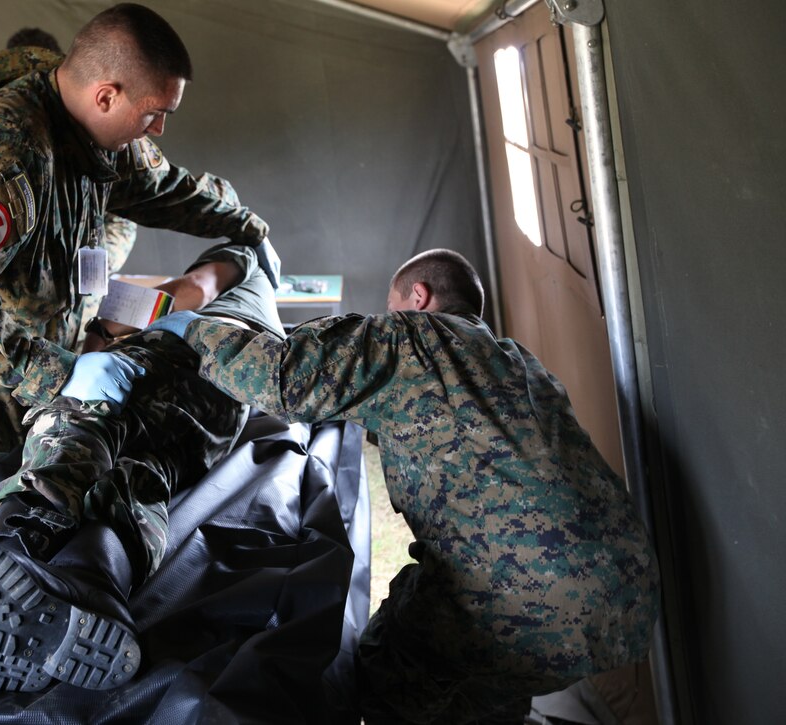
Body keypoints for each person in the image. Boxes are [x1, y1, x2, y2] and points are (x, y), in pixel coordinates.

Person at [141, 248, 661, 723]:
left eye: (391, 306)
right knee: (485, 694)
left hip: (523, 600)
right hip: (627, 606)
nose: (386, 316)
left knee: (384, 672)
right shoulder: (517, 364)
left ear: (418, 298)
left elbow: (279, 376)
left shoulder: (415, 336)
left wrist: (192, 329)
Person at [0, 3, 280, 540]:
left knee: (28, 536)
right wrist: (57, 374)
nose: (160, 128)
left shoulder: (102, 138)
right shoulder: (2, 150)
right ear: (107, 95)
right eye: (153, 113)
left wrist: (250, 229)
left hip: (19, 372)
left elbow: (168, 189)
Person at [0, 243, 285, 693]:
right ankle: (94, 582)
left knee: (81, 408)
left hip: (185, 361)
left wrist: (116, 328)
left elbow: (196, 286)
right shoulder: (268, 324)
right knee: (139, 470)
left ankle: (16, 543)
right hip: (221, 409)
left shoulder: (243, 268)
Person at [0, 26, 139, 337]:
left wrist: (94, 263)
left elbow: (121, 215)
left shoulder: (83, 138)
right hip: (6, 345)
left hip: (65, 330)